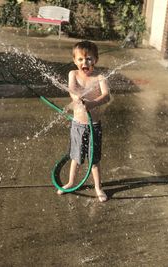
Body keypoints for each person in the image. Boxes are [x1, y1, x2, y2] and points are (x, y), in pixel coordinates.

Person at [57, 40, 110, 202]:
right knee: (76, 157)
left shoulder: (100, 77)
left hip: (94, 125)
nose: (84, 62)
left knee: (94, 160)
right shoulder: (73, 74)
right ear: (75, 61)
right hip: (78, 124)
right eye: (80, 59)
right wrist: (76, 97)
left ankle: (98, 188)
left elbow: (106, 95)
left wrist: (94, 103)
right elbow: (72, 90)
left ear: (95, 60)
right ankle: (71, 182)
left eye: (88, 59)